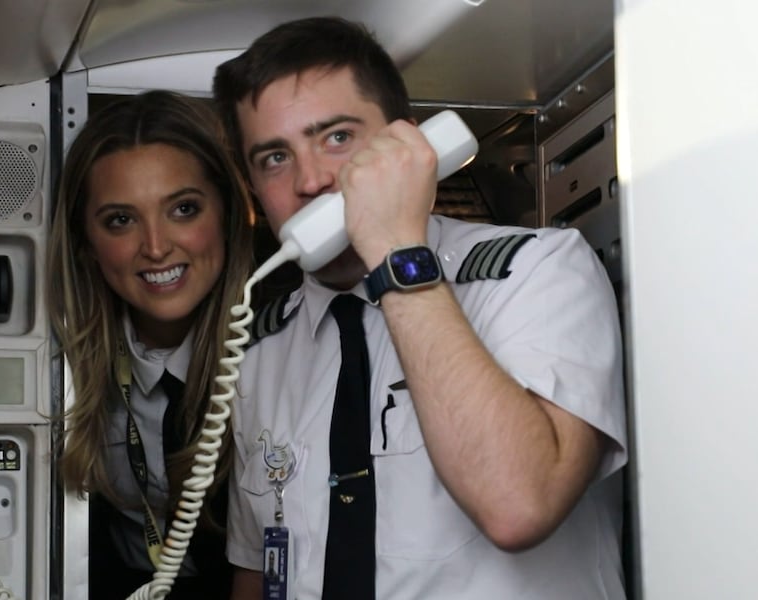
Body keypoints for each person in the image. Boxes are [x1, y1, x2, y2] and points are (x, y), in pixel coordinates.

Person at [213, 17, 626, 599]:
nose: (310, 181)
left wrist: (396, 254)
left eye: (336, 137)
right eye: (274, 158)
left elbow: (520, 505)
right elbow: (258, 570)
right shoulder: (259, 351)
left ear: (410, 146)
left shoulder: (536, 272)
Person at [46, 90, 254, 599]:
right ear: (86, 244)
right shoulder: (58, 364)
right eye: (121, 219)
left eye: (183, 209)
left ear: (227, 217)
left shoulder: (281, 352)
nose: (157, 246)